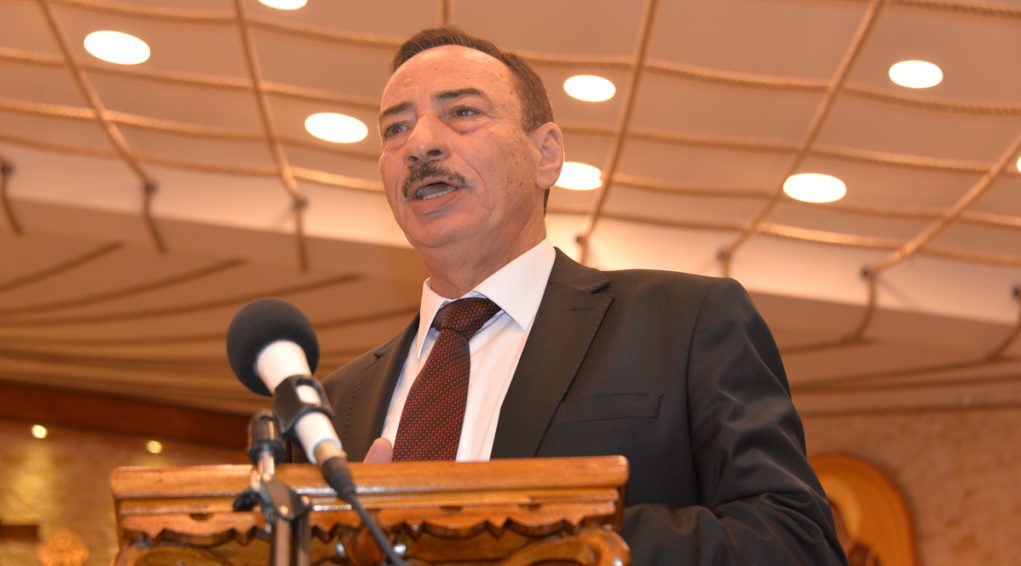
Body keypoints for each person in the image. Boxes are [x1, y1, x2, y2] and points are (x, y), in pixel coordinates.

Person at [320, 27, 846, 564]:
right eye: (395, 128)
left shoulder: (684, 324)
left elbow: (794, 543)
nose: (419, 144)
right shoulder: (330, 407)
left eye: (463, 113)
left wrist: (548, 541)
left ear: (546, 154)